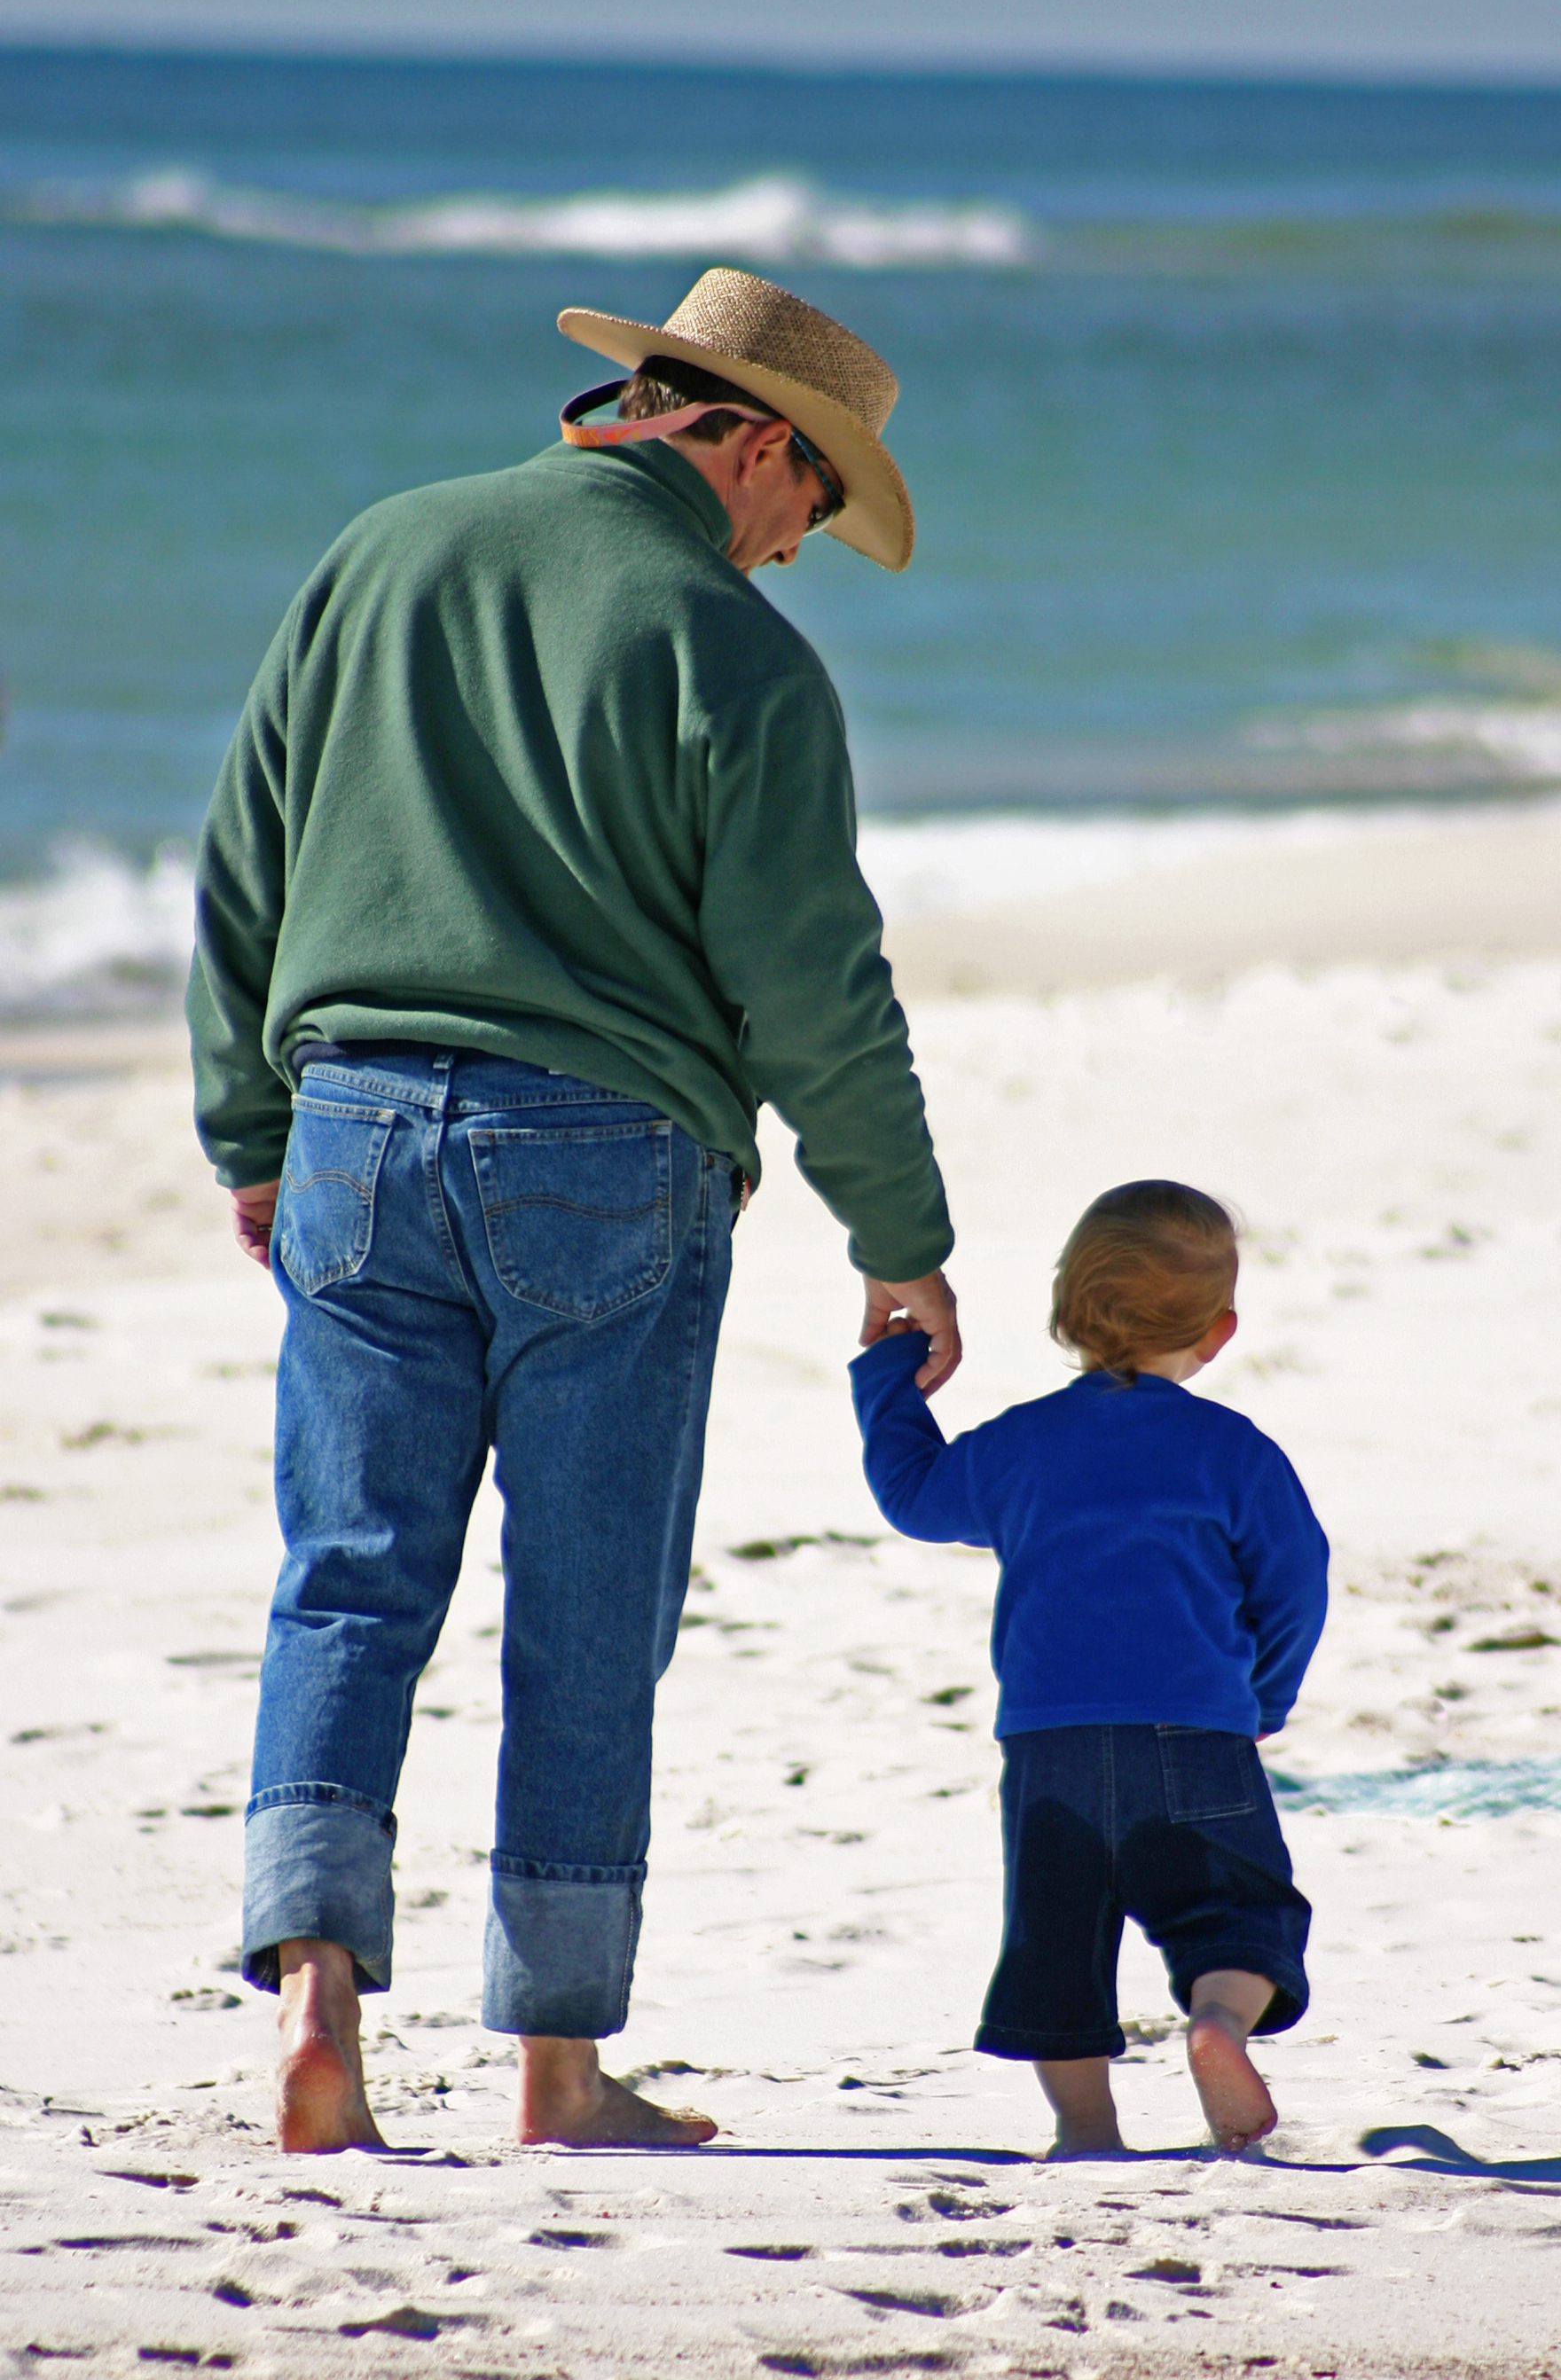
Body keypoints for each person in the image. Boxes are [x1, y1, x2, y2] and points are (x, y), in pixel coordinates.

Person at [187, 267, 961, 2155]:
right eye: (811, 507)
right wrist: (900, 1234)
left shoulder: (384, 550)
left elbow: (245, 851)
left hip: (357, 1132)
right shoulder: (734, 649)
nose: (795, 551)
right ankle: (554, 2064)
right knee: (588, 1611)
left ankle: (315, 2004)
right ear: (754, 444)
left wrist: (248, 1127)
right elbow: (808, 982)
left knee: (350, 1575)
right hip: (607, 1161)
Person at [851, 1179, 1327, 2157]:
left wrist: (888, 1376)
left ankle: (1085, 2127)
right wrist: (1263, 1692)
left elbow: (912, 1495)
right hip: (1195, 1734)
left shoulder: (1021, 1443)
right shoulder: (1233, 1452)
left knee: (1053, 1944)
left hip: (1048, 1745)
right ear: (1220, 1329)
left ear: (1066, 1308)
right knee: (1235, 1913)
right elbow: (1295, 1581)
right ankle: (1217, 2025)